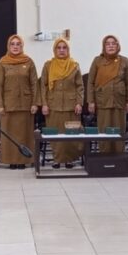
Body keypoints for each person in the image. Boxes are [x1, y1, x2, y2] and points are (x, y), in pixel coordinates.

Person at [0, 34, 39, 168]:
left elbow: (34, 84)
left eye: (18, 44)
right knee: (9, 134)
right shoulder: (2, 62)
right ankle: (11, 160)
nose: (15, 47)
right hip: (8, 105)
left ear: (22, 46)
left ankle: (24, 160)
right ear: (8, 46)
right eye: (12, 44)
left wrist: (35, 103)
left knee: (25, 133)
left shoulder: (28, 61)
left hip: (26, 104)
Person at [40, 37, 84, 168]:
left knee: (71, 133)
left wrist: (79, 103)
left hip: (71, 106)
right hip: (53, 105)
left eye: (64, 48)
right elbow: (43, 86)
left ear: (68, 50)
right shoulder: (48, 65)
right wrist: (44, 104)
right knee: (55, 133)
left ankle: (70, 159)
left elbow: (80, 86)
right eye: (58, 48)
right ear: (54, 50)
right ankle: (57, 159)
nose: (61, 50)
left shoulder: (74, 65)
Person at [87, 35, 128, 155]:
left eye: (113, 43)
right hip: (102, 101)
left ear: (118, 46)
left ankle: (119, 157)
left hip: (120, 101)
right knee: (104, 130)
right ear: (104, 46)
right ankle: (105, 156)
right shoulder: (97, 61)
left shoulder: (124, 61)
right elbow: (90, 82)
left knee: (119, 131)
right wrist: (91, 101)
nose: (111, 46)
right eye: (108, 44)